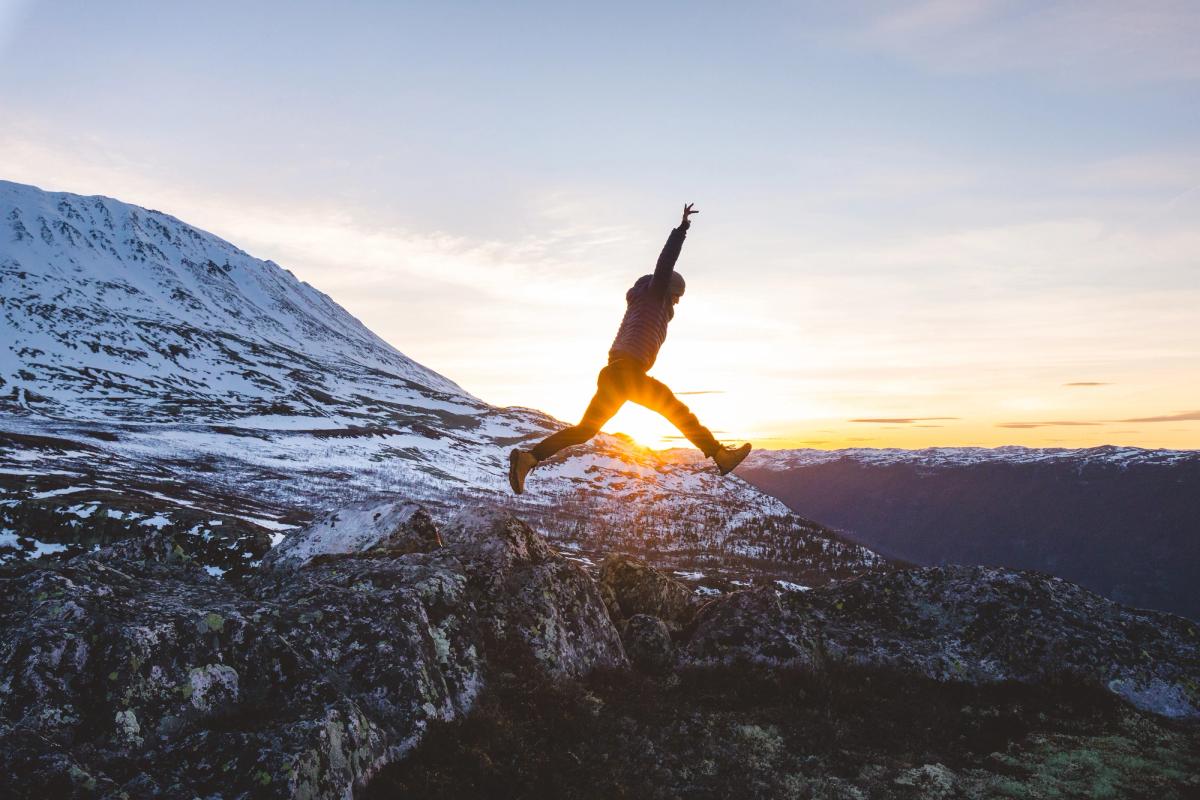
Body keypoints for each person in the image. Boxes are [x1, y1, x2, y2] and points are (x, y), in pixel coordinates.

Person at [508, 203, 751, 494]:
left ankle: (529, 458)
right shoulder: (654, 295)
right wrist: (682, 229)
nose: (676, 303)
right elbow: (665, 264)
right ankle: (720, 454)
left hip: (613, 374)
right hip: (627, 372)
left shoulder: (639, 303)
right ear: (669, 290)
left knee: (584, 431)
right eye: (676, 297)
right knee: (675, 408)